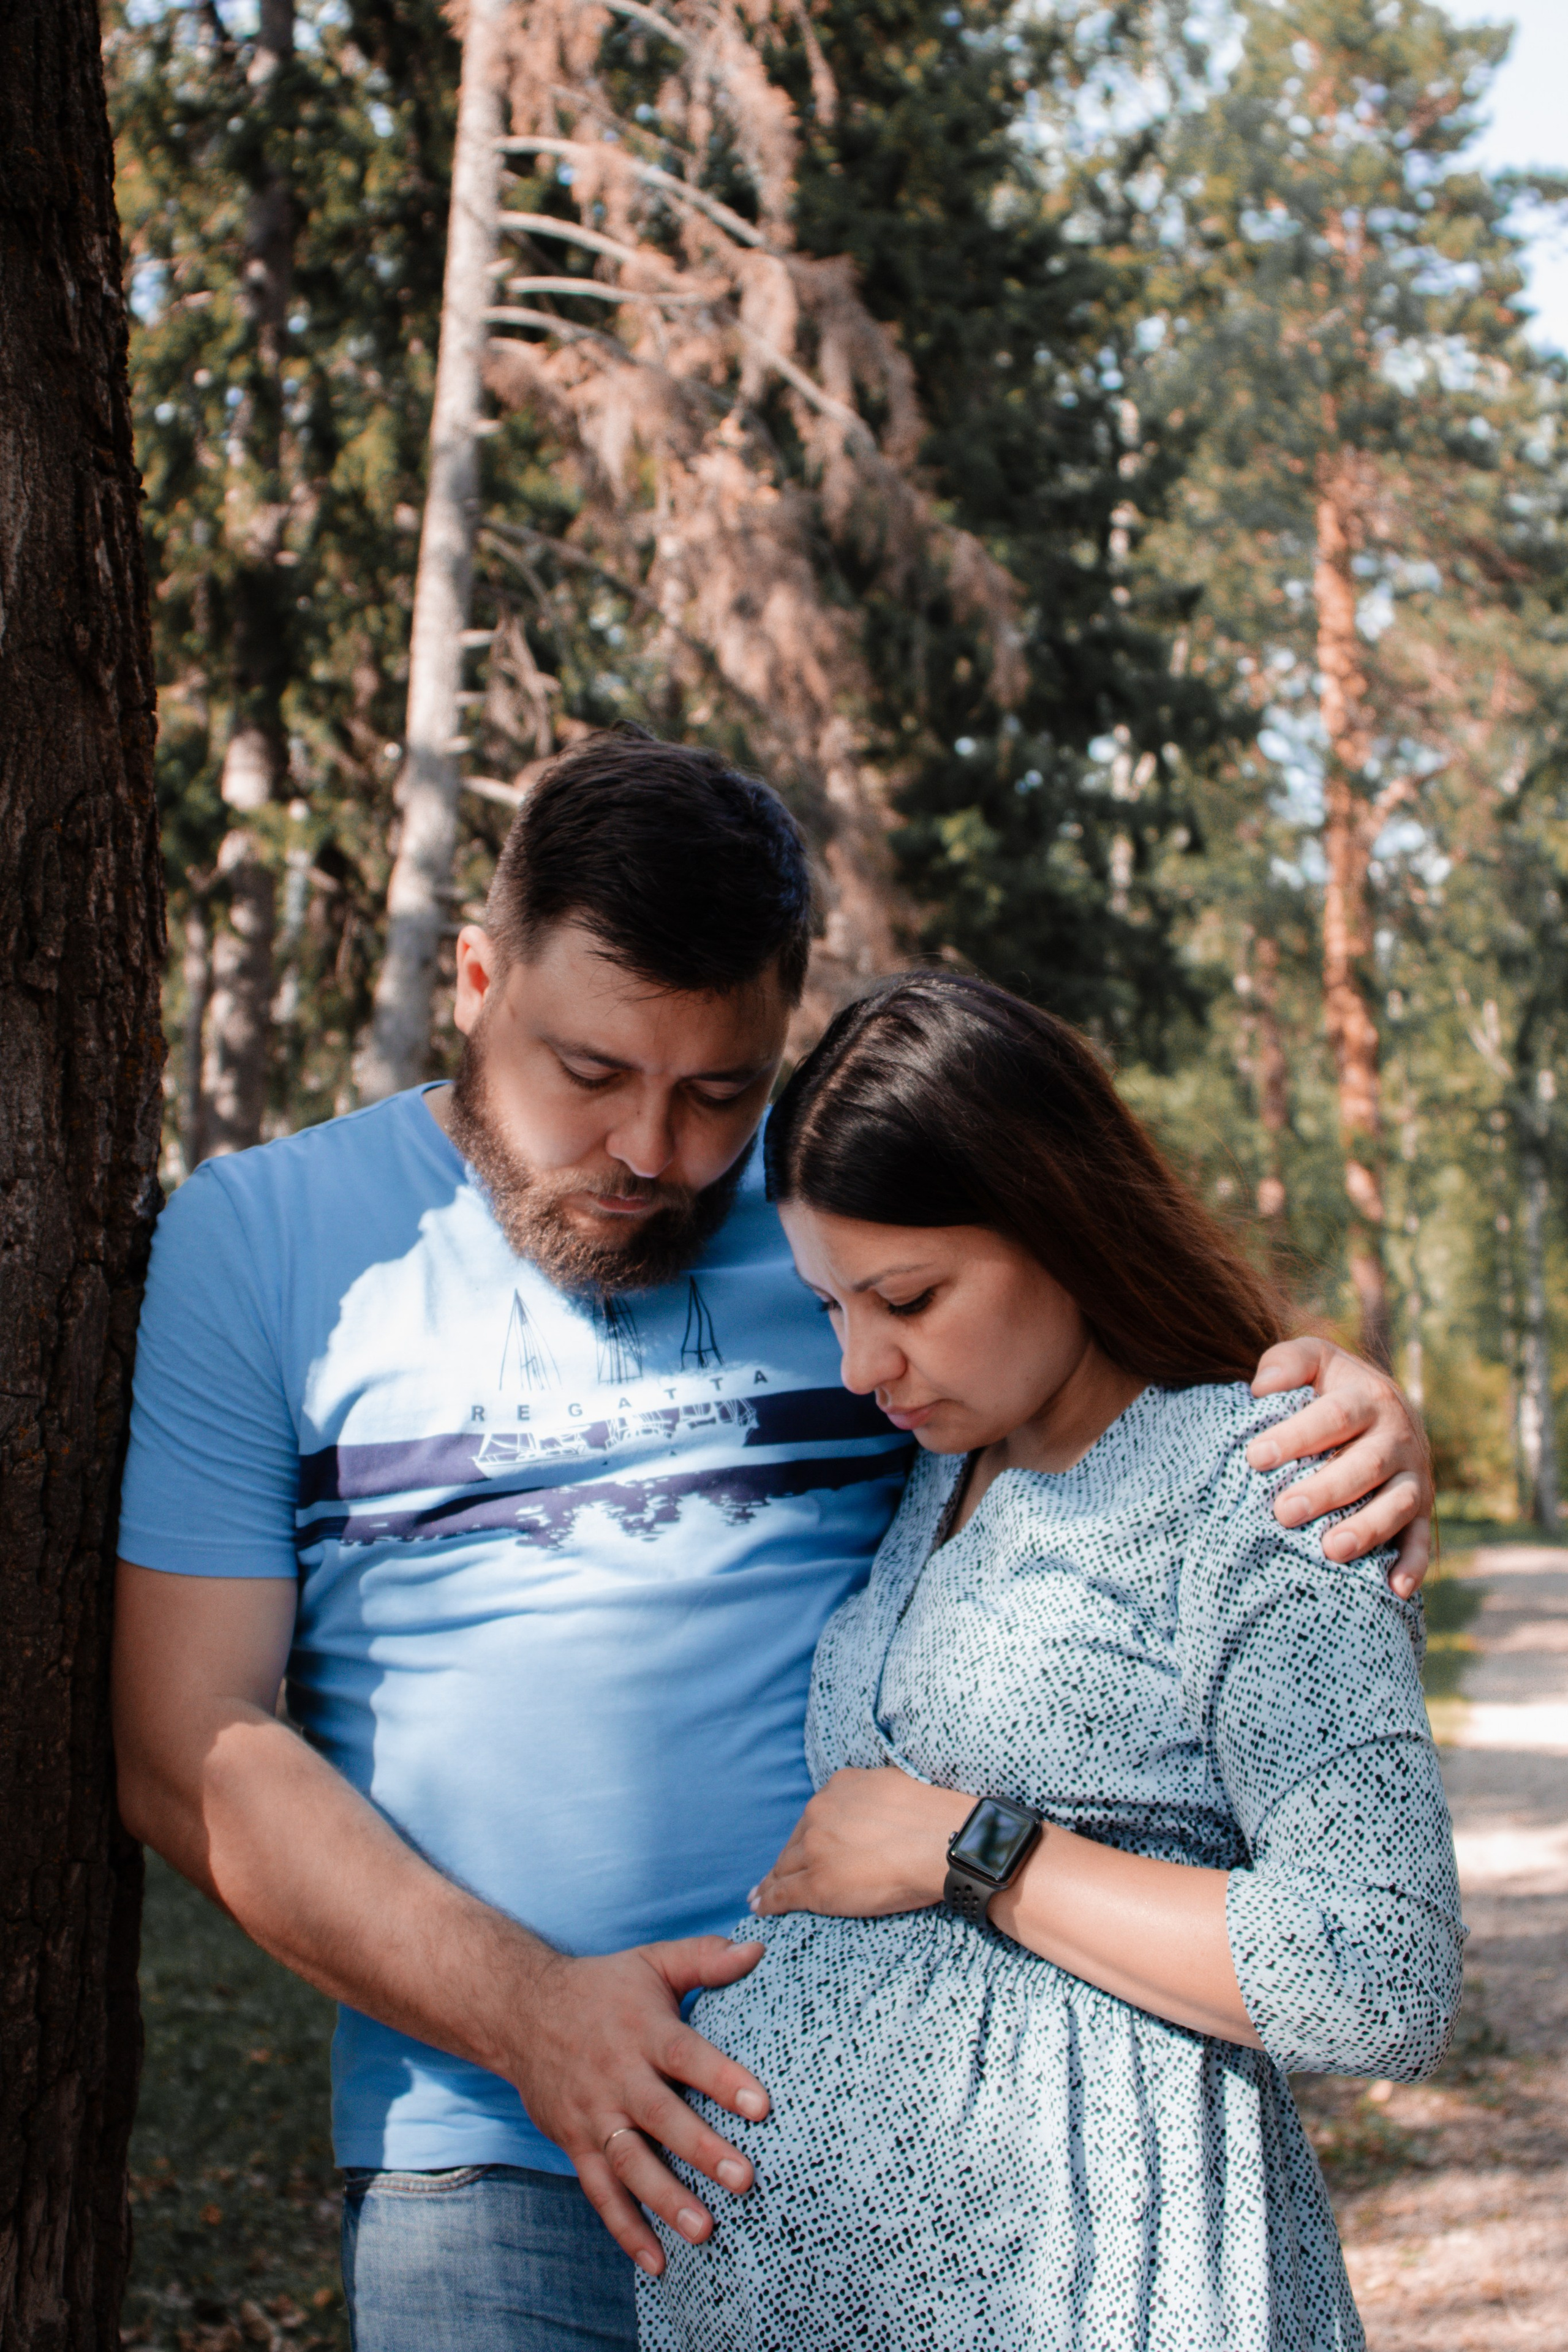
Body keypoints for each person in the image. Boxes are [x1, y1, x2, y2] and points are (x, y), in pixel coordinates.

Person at [113, 734, 1436, 2352]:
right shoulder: (267, 1242)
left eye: (718, 1091)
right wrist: (537, 2019)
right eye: (589, 1075)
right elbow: (190, 1748)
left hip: (920, 2179)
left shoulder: (838, 1214)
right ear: (476, 975)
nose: (655, 1155)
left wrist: (1333, 1398)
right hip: (492, 2169)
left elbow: (1105, 1394)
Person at [638, 971, 1462, 2352]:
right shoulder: (942, 1474)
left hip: (1105, 2289)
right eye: (830, 1305)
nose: (859, 1363)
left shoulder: (1254, 1487)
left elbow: (1376, 1967)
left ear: (1055, 1216)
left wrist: (976, 1851)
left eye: (903, 1295)